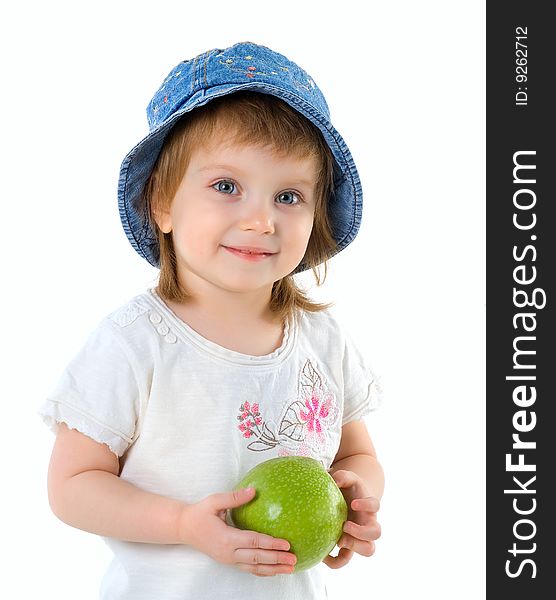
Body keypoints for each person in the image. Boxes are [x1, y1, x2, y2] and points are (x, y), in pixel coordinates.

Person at [40, 41, 384, 599]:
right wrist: (180, 524)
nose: (260, 218)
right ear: (162, 204)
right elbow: (72, 486)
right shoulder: (134, 344)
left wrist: (356, 497)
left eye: (290, 195)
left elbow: (356, 454)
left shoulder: (322, 340)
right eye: (227, 187)